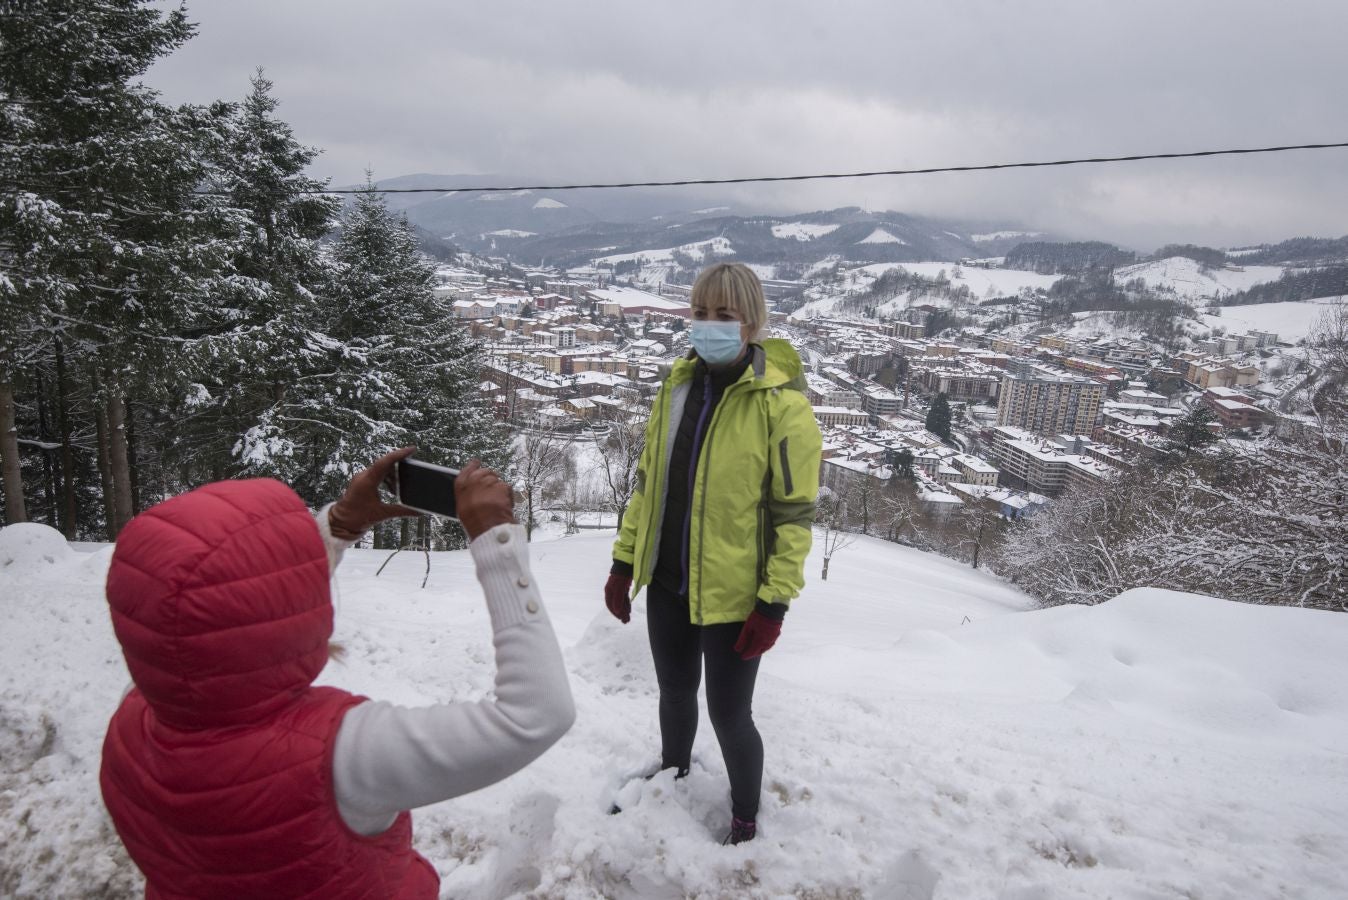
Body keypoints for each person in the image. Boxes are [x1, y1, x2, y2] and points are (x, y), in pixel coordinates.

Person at [99, 449, 575, 899]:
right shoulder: (339, 759)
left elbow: (221, 625)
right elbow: (534, 715)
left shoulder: (132, 721)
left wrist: (337, 526)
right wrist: (497, 543)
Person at [604, 262, 822, 845]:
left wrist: (773, 604)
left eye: (724, 315)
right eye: (701, 313)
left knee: (730, 716)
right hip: (670, 581)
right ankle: (673, 770)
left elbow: (793, 517)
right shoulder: (676, 388)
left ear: (751, 323)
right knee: (674, 692)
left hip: (734, 595)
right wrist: (625, 561)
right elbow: (649, 483)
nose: (709, 325)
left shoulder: (782, 407)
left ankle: (746, 817)